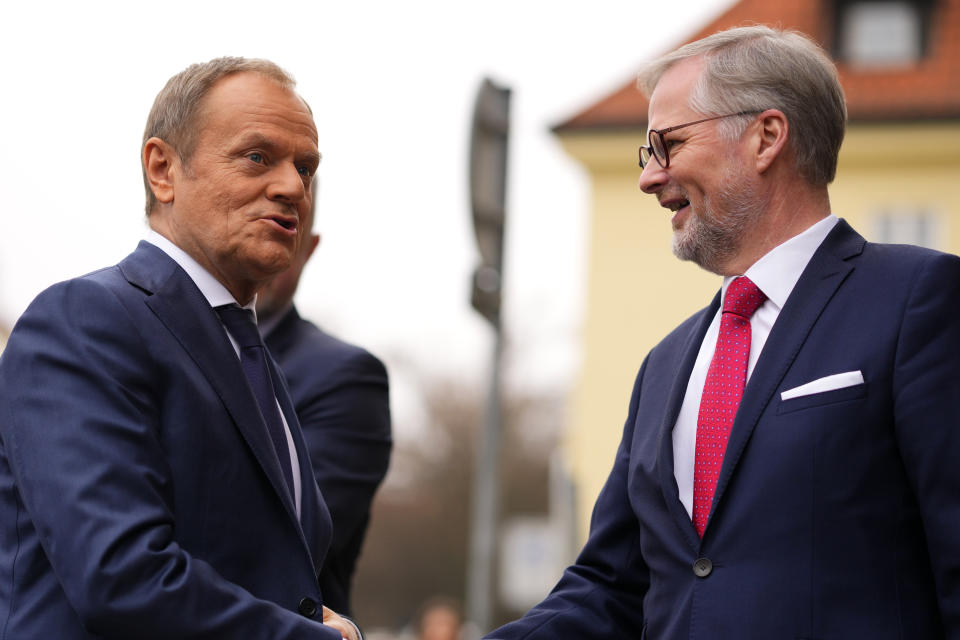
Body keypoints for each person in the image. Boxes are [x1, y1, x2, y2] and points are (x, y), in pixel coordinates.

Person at [486, 25, 960, 639]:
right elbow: (609, 589)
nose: (649, 177)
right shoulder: (665, 364)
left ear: (766, 137)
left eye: (668, 144)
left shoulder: (919, 299)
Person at [0, 57, 360, 639]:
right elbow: (122, 576)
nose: (293, 186)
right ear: (163, 169)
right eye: (257, 157)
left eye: (306, 166)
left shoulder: (249, 354)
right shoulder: (84, 321)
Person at [257, 178, 392, 616]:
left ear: (308, 248)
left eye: (284, 229)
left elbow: (284, 545)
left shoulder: (346, 378)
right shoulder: (142, 348)